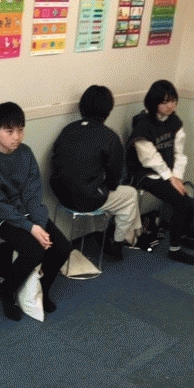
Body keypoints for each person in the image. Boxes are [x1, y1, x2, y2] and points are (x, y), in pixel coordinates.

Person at [0, 102, 72, 321]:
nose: (16, 137)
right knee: (34, 251)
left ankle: (43, 289)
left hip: (27, 213)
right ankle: (7, 292)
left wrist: (39, 225)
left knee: (62, 248)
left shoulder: (25, 153)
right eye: (9, 131)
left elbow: (33, 194)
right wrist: (31, 228)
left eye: (20, 130)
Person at [50, 85, 142, 259]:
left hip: (59, 194)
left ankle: (112, 233)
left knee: (100, 187)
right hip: (85, 199)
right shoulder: (109, 137)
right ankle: (118, 243)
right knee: (130, 195)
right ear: (108, 110)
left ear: (82, 106)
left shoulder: (68, 129)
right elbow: (114, 180)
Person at [126, 80, 194, 265]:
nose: (170, 106)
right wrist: (170, 178)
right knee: (181, 203)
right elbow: (149, 159)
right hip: (146, 174)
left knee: (187, 201)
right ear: (154, 103)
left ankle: (181, 236)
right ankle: (174, 250)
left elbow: (179, 154)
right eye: (165, 102)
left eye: (173, 100)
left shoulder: (175, 122)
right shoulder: (143, 125)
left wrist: (177, 177)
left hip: (167, 173)